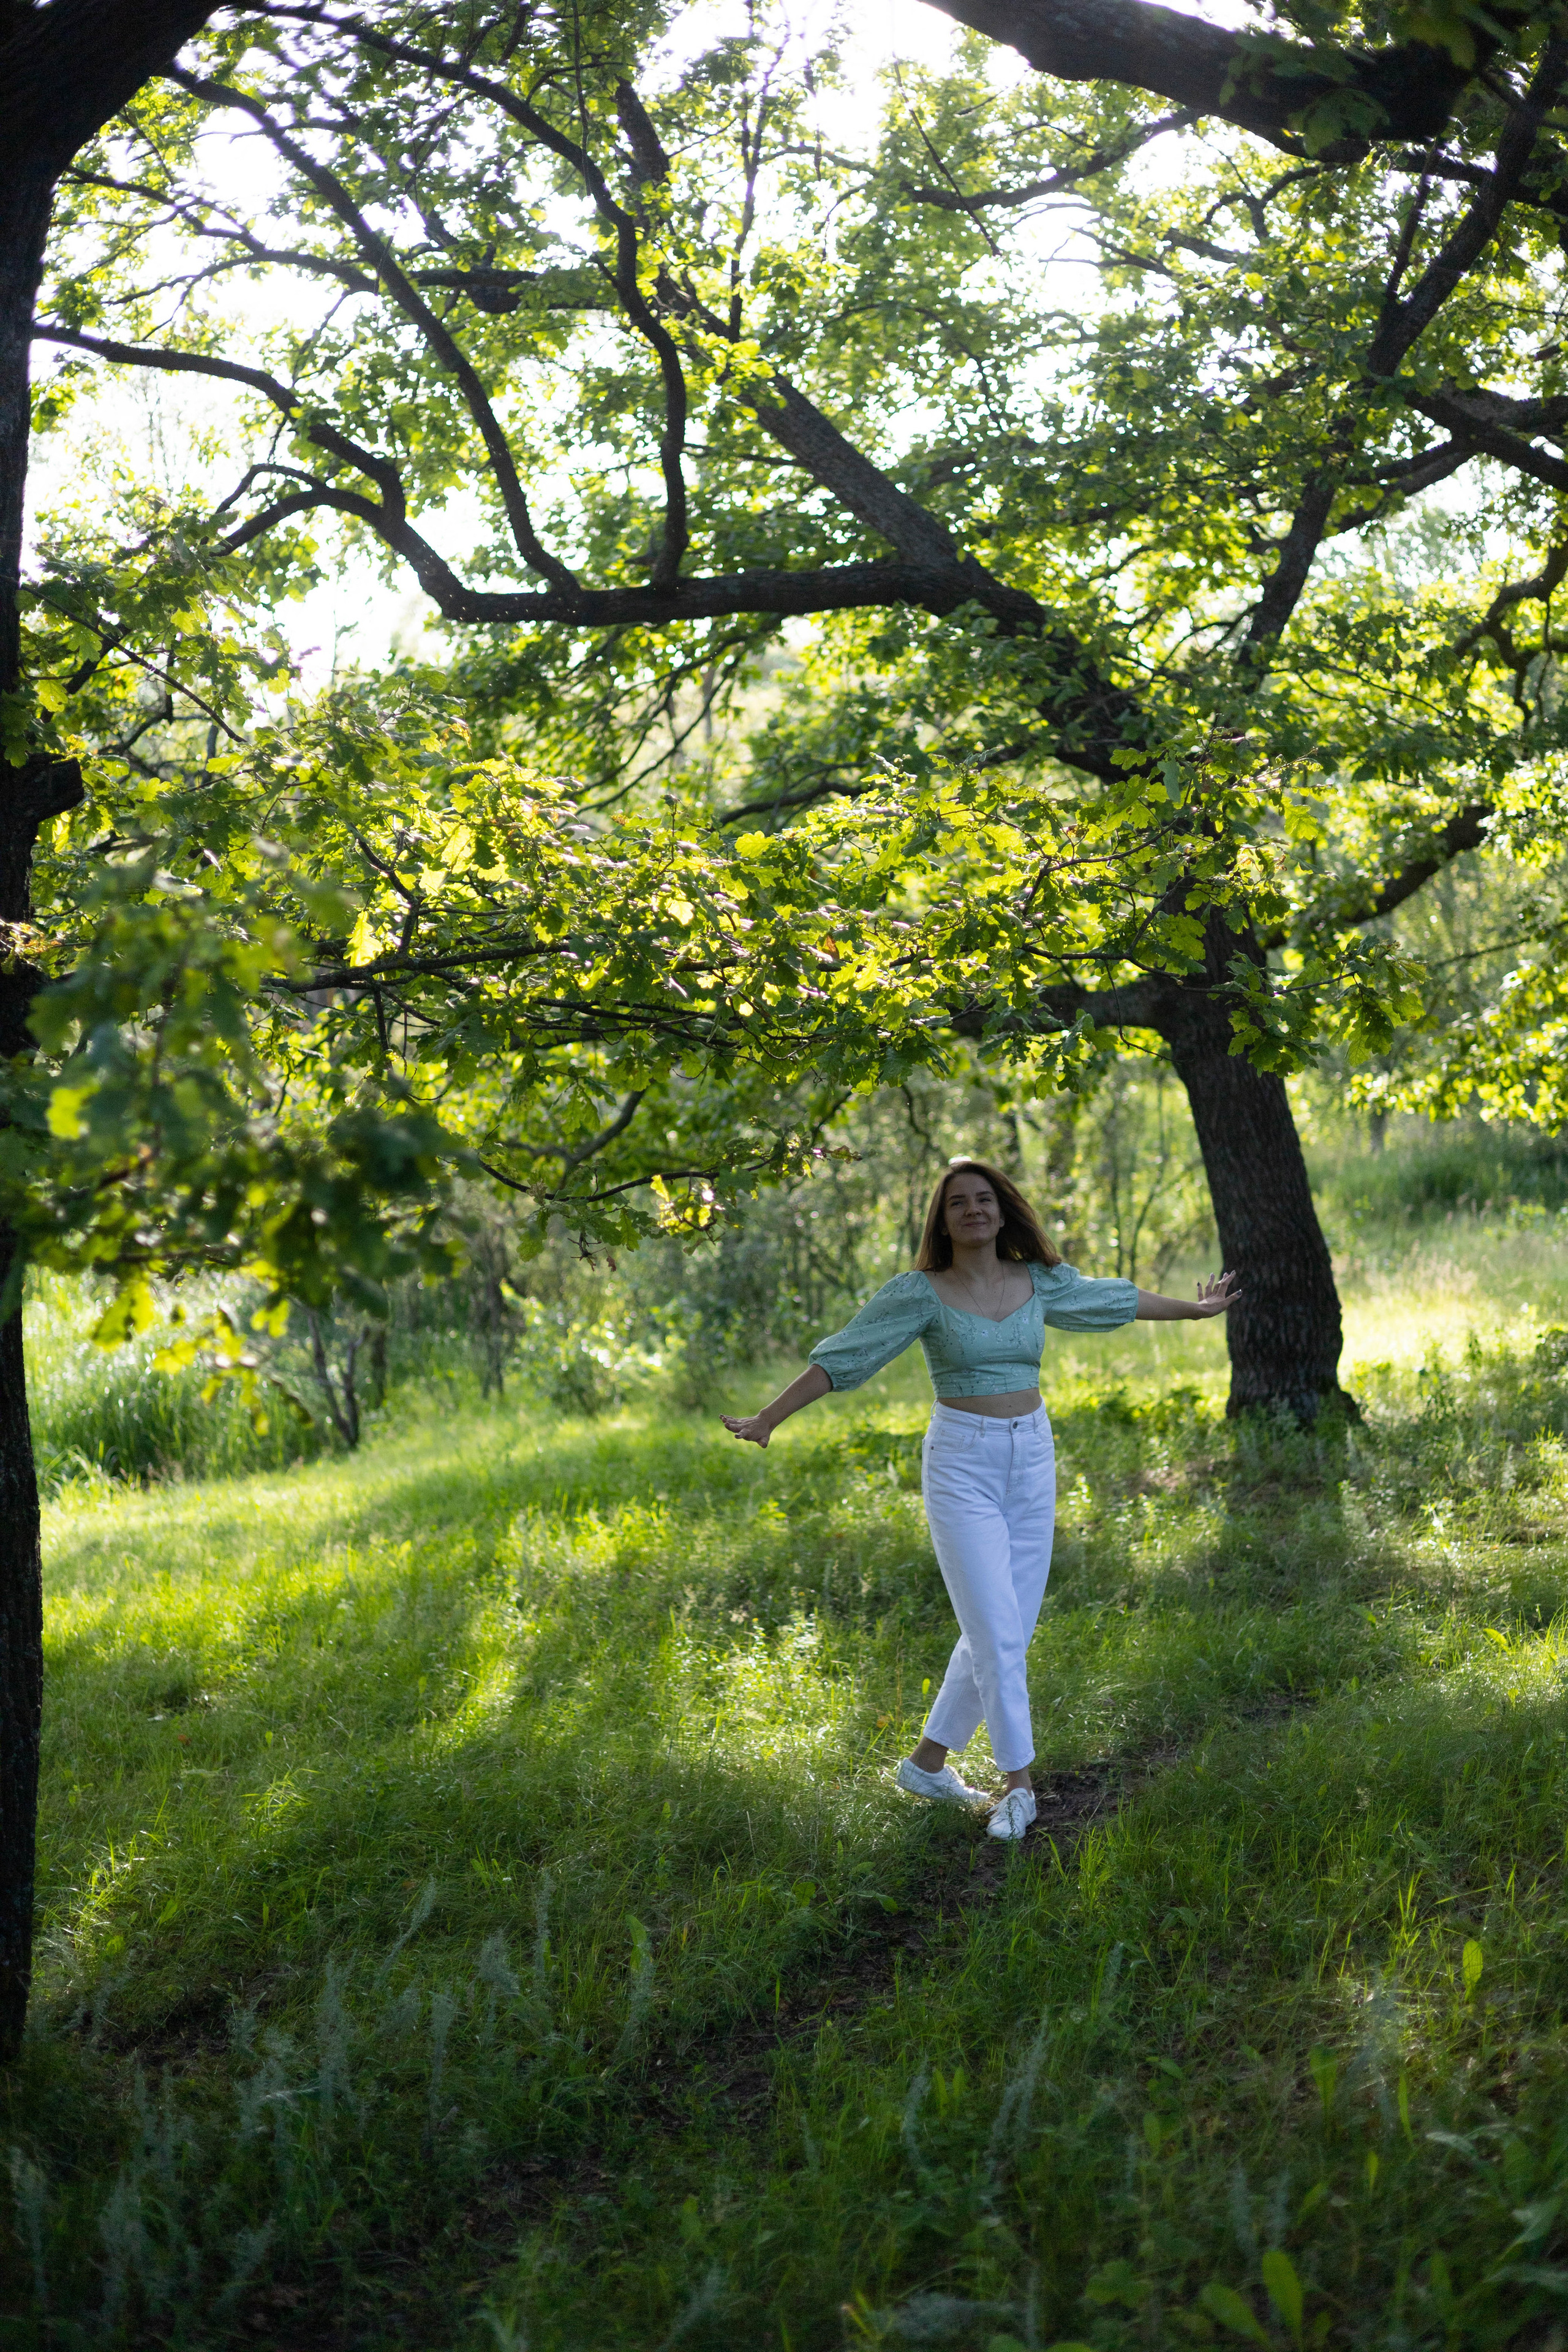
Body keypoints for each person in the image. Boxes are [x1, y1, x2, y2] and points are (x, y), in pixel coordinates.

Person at [721, 1159, 1240, 1840]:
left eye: (984, 1199)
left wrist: (1195, 1310)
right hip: (960, 1463)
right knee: (997, 1630)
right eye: (958, 1202)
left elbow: (1115, 1300)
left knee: (1005, 1629)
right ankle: (1018, 1787)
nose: (972, 1210)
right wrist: (769, 1417)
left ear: (1003, 1211)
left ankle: (927, 1763)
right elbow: (843, 1357)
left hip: (1031, 1456)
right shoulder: (920, 1292)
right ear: (941, 1219)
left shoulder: (1039, 1282)